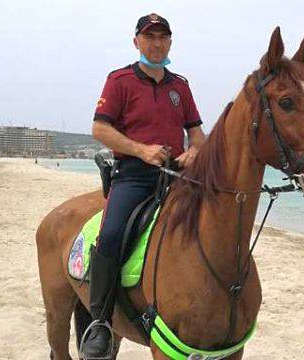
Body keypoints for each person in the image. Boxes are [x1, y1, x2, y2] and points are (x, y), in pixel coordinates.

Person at [79, 13, 205, 358]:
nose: (157, 43)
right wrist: (141, 150)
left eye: (163, 37)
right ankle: (100, 322)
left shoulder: (180, 85)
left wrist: (195, 150)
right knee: (112, 234)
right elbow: (100, 129)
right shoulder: (119, 80)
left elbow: (196, 132)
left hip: (176, 175)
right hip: (133, 175)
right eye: (149, 37)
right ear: (136, 41)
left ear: (170, 43)